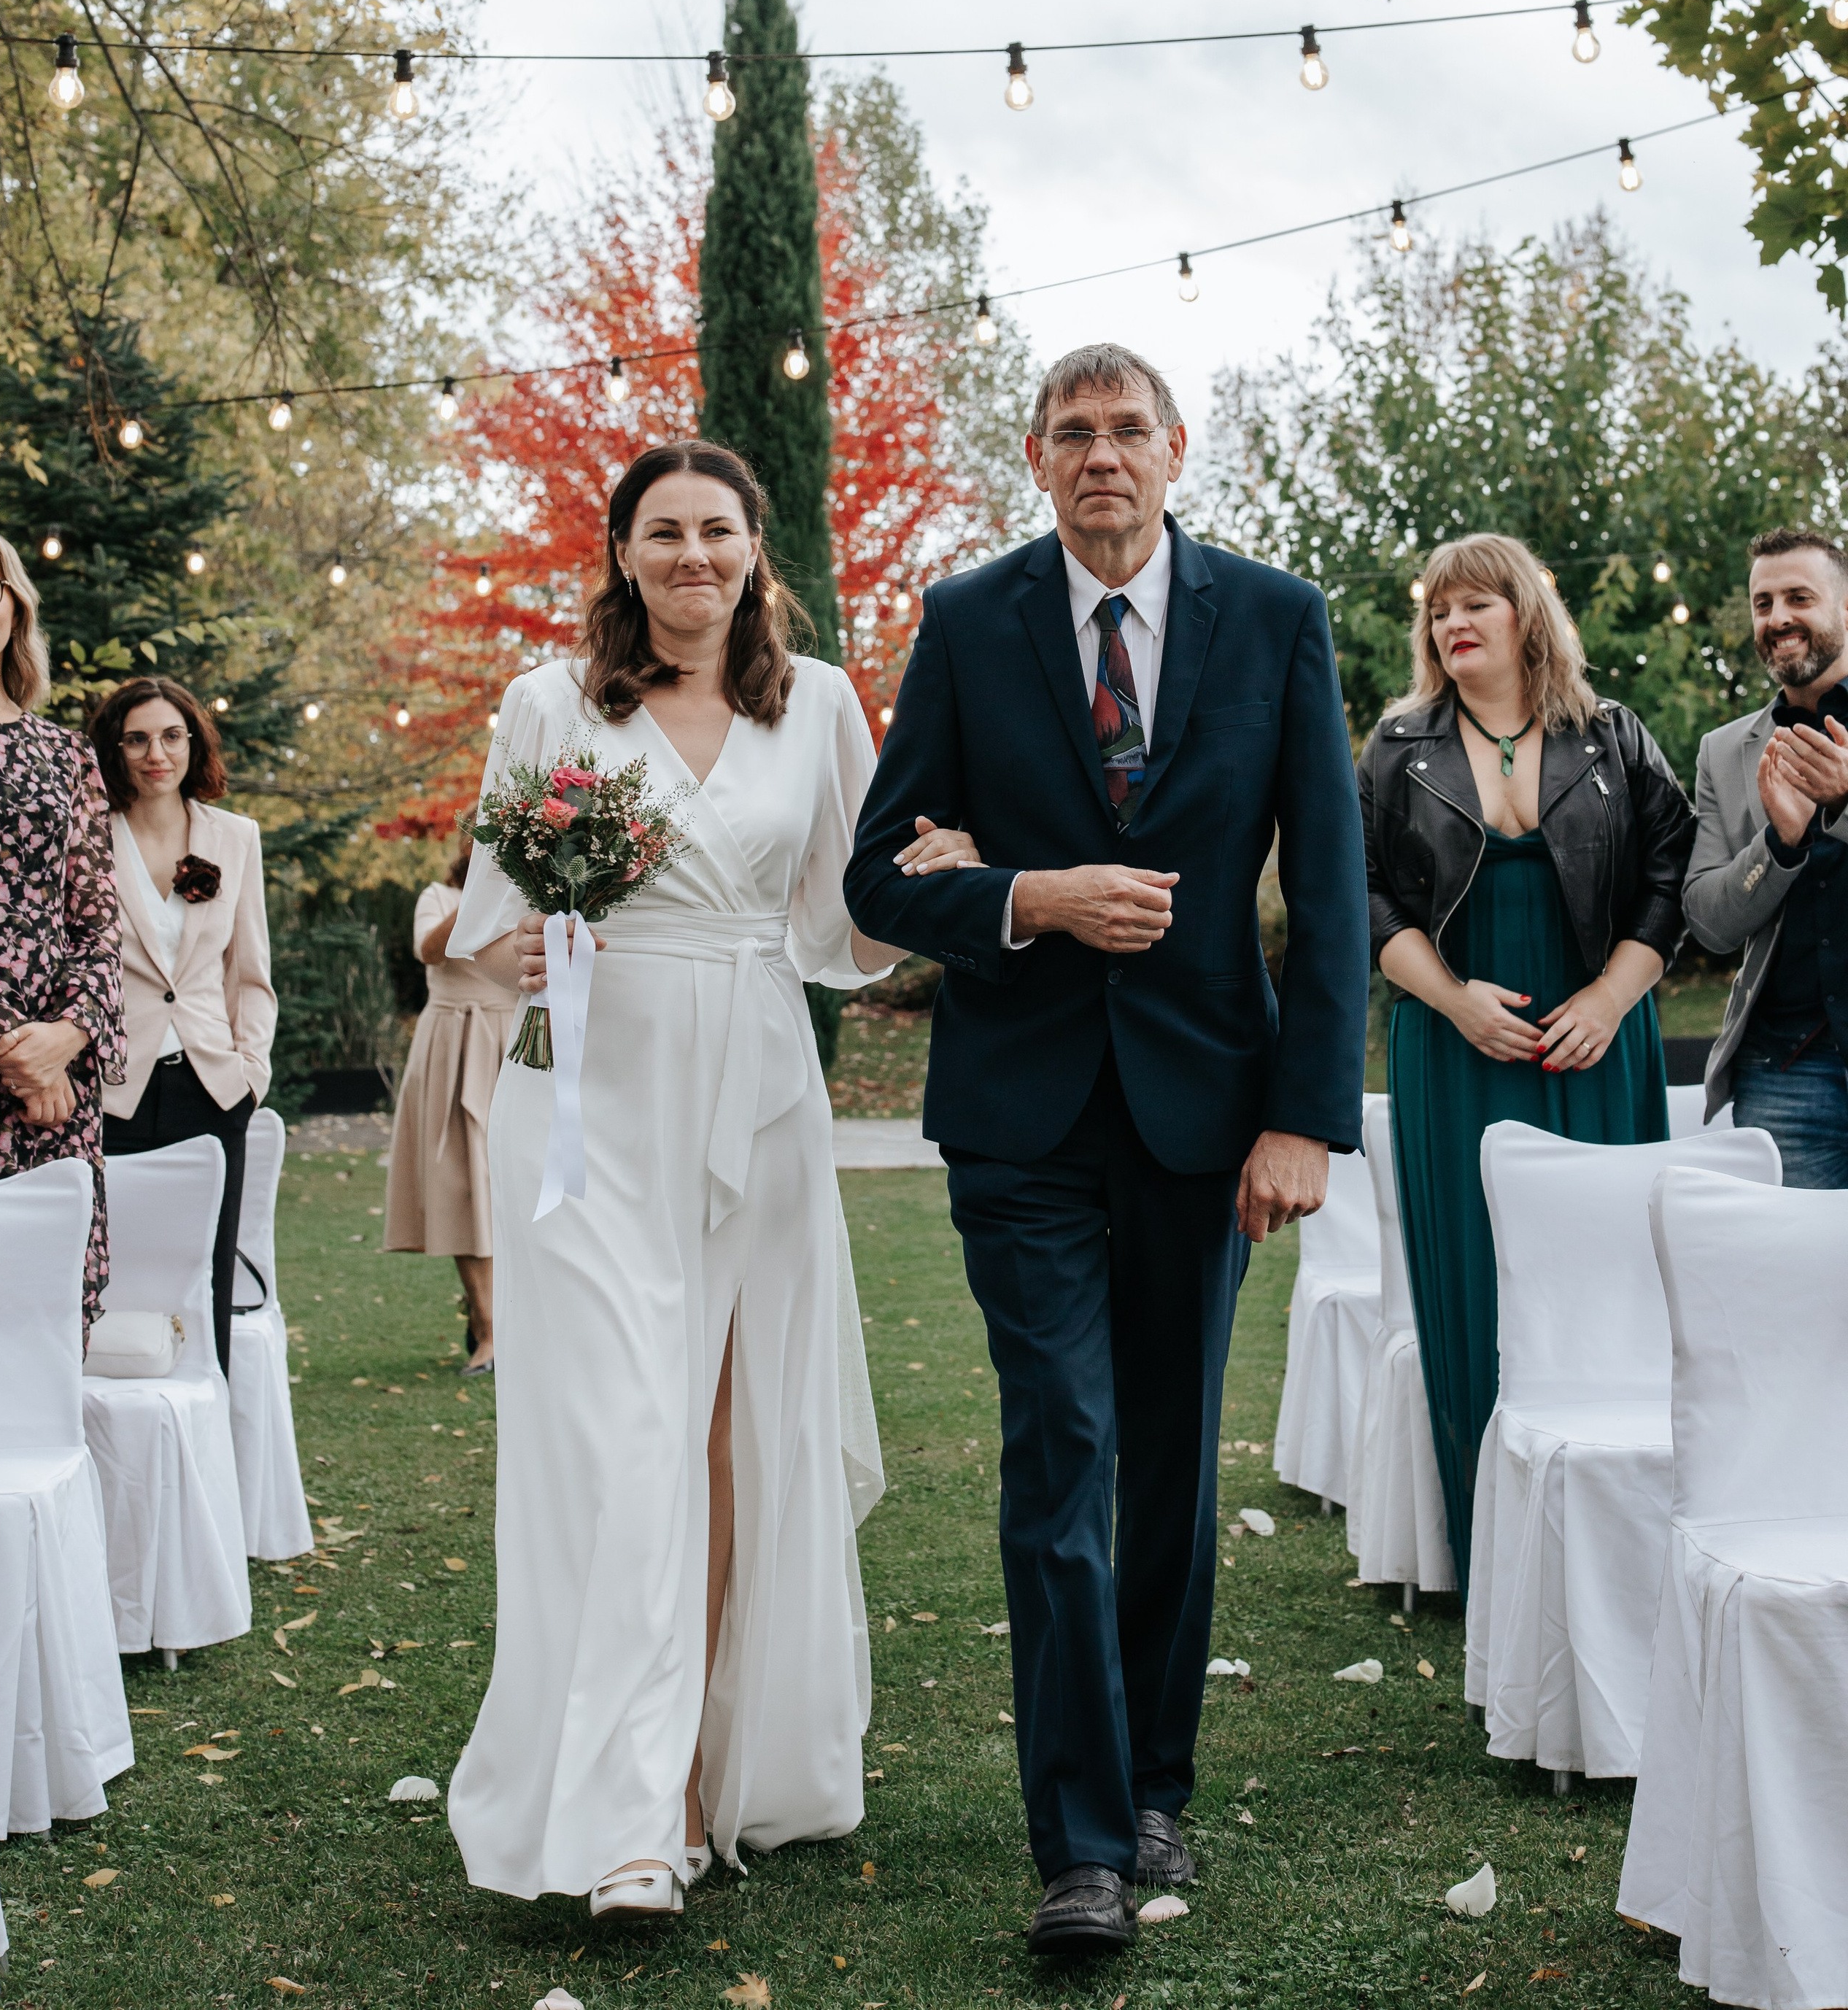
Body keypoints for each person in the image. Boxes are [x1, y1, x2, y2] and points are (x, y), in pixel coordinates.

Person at [845, 341, 1369, 1959]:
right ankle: (1076, 1845)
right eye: (1069, 433)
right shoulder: (962, 621)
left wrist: (1302, 1115)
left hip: (1205, 1122)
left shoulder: (1274, 621)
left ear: (1173, 448)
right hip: (1020, 1120)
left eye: (1124, 429)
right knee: (1060, 1449)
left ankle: (1155, 1782)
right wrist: (1026, 897)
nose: (1098, 456)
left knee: (1170, 1465)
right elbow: (877, 876)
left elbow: (1332, 891)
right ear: (1033, 458)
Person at [444, 440, 918, 1920]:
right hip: (595, 1102)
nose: (691, 556)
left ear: (751, 551)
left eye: (716, 532)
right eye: (663, 533)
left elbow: (851, 924)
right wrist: (507, 950)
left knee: (736, 1440)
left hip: (761, 1100)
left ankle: (721, 1772)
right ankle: (625, 1818)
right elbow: (479, 922)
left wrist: (945, 886)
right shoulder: (549, 703)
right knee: (624, 1439)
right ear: (623, 553)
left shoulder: (820, 701)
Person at [1358, 533, 1693, 1590]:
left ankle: (1617, 1562)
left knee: (1607, 1290)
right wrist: (1456, 1004)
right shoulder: (1397, 745)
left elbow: (1674, 878)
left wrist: (1606, 997)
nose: (1453, 625)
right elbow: (1361, 897)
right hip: (1455, 1050)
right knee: (1472, 1288)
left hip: (1594, 1043)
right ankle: (1495, 1568)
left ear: (1525, 616)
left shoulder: (1613, 736)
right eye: (1440, 611)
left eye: (1477, 606)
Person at [90, 674, 276, 1378]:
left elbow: (250, 975)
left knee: (210, 1281)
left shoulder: (235, 838)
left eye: (170, 736)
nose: (155, 753)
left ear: (192, 743)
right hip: (112, 1090)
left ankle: (213, 1444)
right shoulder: (88, 838)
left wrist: (250, 1073)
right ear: (116, 749)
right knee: (114, 1275)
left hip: (212, 1089)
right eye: (135, 738)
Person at [0, 527, 124, 1345]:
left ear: (14, 603)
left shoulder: (65, 753)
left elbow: (97, 920)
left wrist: (68, 1036)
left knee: (44, 1322)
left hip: (61, 1089)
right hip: (11, 1064)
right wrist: (13, 1051)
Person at [1682, 527, 1848, 1187]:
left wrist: (1842, 802)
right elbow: (1709, 921)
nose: (1778, 618)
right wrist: (1780, 844)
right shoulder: (1723, 753)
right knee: (1793, 1285)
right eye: (1763, 603)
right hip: (1785, 1075)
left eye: (1799, 598)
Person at [384, 849, 508, 1372]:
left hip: (512, 1043)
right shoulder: (439, 897)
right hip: (451, 1044)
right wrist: (483, 886)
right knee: (460, 1183)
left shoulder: (528, 898)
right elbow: (430, 951)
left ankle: (515, 1318)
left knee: (511, 1187)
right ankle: (488, 1327)